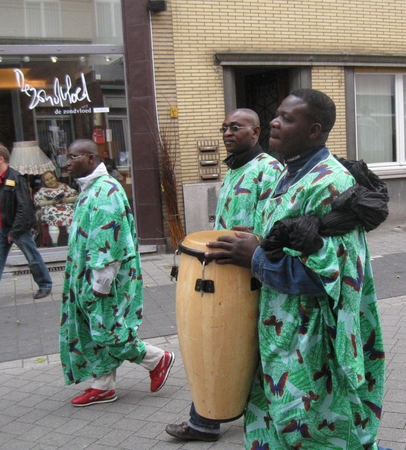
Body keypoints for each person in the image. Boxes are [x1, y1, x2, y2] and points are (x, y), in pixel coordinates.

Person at [206, 90, 386, 449]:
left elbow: (330, 276)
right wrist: (256, 241)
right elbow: (281, 243)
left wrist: (255, 257)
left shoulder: (329, 183)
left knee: (316, 429)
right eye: (276, 114)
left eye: (287, 118)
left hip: (314, 342)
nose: (274, 121)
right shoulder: (283, 174)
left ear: (314, 130)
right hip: (279, 331)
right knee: (274, 425)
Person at [165, 108, 283, 442]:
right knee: (217, 342)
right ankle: (207, 419)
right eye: (224, 127)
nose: (228, 132)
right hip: (224, 274)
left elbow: (275, 226)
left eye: (236, 127)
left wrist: (256, 243)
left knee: (240, 346)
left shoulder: (268, 170)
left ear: (256, 132)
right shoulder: (234, 168)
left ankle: (215, 421)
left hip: (249, 274)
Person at [59, 139, 175, 407]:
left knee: (106, 331)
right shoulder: (92, 188)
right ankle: (103, 385)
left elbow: (108, 240)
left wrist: (100, 283)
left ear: (90, 158)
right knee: (93, 330)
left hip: (102, 280)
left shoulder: (106, 191)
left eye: (72, 157)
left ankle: (156, 359)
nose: (67, 162)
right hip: (86, 277)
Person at [0, 145, 53, 310]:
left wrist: (14, 231)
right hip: (1, 228)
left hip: (17, 228)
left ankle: (46, 284)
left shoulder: (15, 178)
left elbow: (24, 207)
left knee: (32, 257)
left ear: (0, 159)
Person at [33, 170, 78, 246]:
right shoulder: (43, 191)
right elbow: (38, 202)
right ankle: (55, 243)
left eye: (52, 178)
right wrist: (50, 202)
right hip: (52, 210)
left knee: (70, 216)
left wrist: (66, 200)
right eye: (47, 180)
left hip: (66, 208)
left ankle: (72, 242)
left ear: (55, 177)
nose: (50, 181)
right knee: (52, 216)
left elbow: (77, 197)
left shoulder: (65, 186)